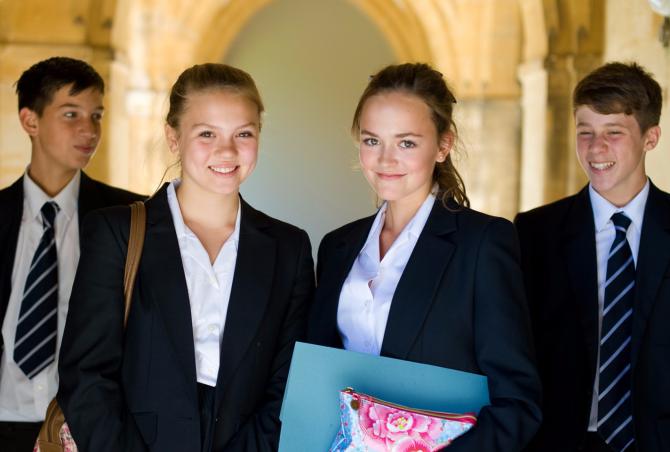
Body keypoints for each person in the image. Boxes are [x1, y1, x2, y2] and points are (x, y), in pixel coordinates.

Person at [57, 63, 314, 452]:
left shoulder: (289, 248)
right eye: (206, 133)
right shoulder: (117, 233)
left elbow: (287, 386)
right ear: (173, 138)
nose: (226, 150)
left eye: (243, 133)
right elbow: (87, 376)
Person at [307, 62, 542, 451]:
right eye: (371, 141)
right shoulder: (337, 246)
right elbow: (320, 377)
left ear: (443, 145)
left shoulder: (483, 243)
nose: (385, 159)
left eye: (406, 143)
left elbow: (518, 403)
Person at [515, 62, 667, 452]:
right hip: (557, 443)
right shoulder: (534, 233)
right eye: (585, 132)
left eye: (613, 133)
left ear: (652, 137)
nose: (596, 148)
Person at [0, 56, 143, 452]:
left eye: (96, 115)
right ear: (30, 121)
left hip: (86, 430)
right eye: (70, 114)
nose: (89, 130)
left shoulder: (132, 218)